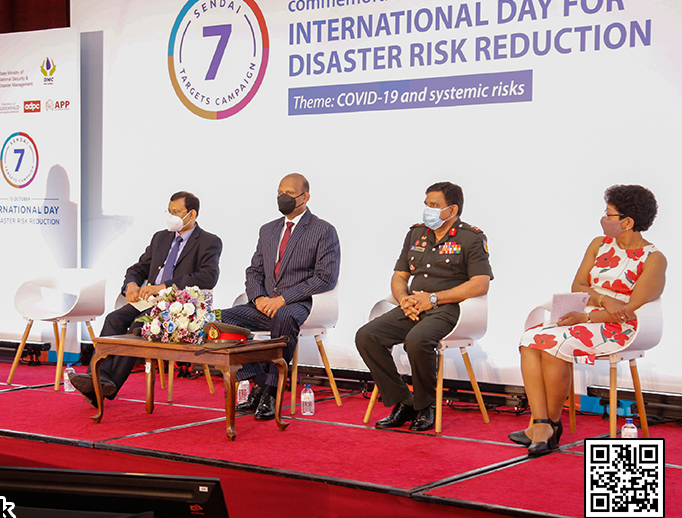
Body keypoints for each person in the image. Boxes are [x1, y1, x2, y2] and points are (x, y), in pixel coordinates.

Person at [513, 185, 666, 456]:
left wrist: (588, 314)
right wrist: (605, 299)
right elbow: (579, 285)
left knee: (554, 343)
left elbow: (629, 311)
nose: (604, 219)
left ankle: (551, 424)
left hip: (620, 328)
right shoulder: (599, 244)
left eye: (609, 214)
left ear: (627, 222)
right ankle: (540, 424)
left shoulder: (653, 259)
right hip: (588, 315)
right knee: (529, 339)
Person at [356, 182, 492, 431]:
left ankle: (424, 405)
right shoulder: (416, 233)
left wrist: (434, 298)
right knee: (367, 336)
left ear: (452, 210)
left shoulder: (471, 237)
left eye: (434, 206)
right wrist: (403, 299)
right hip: (413, 305)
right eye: (426, 205)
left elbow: (480, 284)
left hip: (448, 309)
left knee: (417, 341)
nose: (428, 210)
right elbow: (399, 276)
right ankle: (404, 401)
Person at [70, 191, 222, 406]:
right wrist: (131, 284)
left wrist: (164, 286)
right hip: (148, 302)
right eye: (169, 212)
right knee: (114, 319)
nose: (172, 217)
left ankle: (103, 385)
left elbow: (208, 277)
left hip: (176, 306)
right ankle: (98, 377)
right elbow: (138, 267)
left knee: (137, 326)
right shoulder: (160, 237)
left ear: (192, 214)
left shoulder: (209, 241)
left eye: (177, 212)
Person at [223, 173, 340, 420]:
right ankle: (258, 380)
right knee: (219, 321)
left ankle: (273, 391)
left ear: (305, 197)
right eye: (279, 193)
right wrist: (258, 299)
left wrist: (283, 299)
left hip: (298, 305)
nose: (282, 198)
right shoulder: (268, 230)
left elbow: (325, 277)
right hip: (264, 304)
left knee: (284, 317)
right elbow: (254, 271)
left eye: (288, 193)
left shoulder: (323, 230)